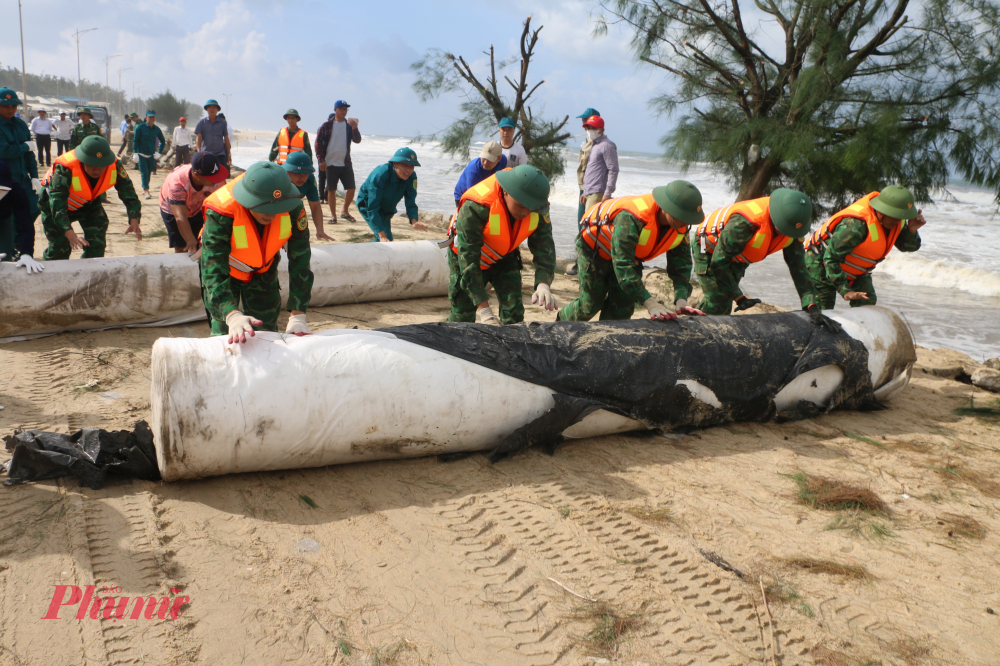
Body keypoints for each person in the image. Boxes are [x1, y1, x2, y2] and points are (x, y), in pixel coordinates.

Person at [558, 181, 706, 322]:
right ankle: (557, 324)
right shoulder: (631, 217)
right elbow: (623, 265)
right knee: (589, 305)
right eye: (683, 217)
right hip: (595, 253)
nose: (687, 223)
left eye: (690, 219)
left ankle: (607, 341)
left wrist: (681, 299)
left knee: (622, 307)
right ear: (668, 209)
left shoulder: (680, 227)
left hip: (628, 257)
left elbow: (681, 266)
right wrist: (650, 303)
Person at [200, 161, 314, 343]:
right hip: (227, 272)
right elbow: (213, 267)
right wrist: (231, 314)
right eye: (263, 207)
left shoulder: (292, 206)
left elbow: (300, 258)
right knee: (225, 335)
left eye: (276, 209)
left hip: (263, 269)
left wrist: (298, 314)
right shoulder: (222, 211)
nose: (270, 214)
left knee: (266, 333)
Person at [447, 164, 557, 325]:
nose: (525, 212)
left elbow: (544, 246)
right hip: (468, 260)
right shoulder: (476, 206)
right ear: (506, 191)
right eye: (520, 205)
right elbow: (468, 260)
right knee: (462, 318)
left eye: (530, 208)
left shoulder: (537, 205)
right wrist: (485, 311)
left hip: (503, 256)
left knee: (514, 312)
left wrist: (543, 284)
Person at [694, 188, 816, 315]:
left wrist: (810, 304)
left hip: (738, 254)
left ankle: (695, 318)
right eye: (784, 229)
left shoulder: (793, 228)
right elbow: (718, 262)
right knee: (719, 300)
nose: (787, 234)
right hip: (708, 247)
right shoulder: (744, 223)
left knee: (721, 298)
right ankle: (696, 331)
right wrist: (739, 297)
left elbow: (799, 267)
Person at [804, 186, 925, 310]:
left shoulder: (896, 221)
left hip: (855, 271)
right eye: (894, 215)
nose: (897, 219)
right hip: (820, 265)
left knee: (867, 306)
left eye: (901, 216)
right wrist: (845, 291)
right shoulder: (855, 225)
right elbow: (830, 259)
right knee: (822, 313)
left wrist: (911, 230)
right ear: (882, 210)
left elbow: (907, 247)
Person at [39, 135, 142, 260]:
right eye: (92, 164)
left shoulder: (114, 165)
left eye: (101, 165)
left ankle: (89, 274)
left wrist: (134, 218)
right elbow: (57, 203)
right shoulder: (66, 168)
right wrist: (70, 233)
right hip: (55, 207)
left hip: (87, 204)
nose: (97, 169)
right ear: (83, 160)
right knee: (60, 248)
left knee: (97, 243)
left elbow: (128, 191)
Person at [158, 151, 229, 253]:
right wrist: (190, 240)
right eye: (212, 179)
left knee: (202, 242)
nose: (217, 181)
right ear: (197, 175)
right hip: (173, 210)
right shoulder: (177, 183)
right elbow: (180, 217)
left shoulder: (217, 178)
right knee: (183, 246)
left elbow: (224, 205)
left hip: (198, 205)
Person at [0, 88, 40, 264]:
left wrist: (35, 176)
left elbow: (30, 153)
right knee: (8, 216)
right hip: (5, 181)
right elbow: (5, 151)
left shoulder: (21, 124)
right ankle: (11, 248)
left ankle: (17, 240)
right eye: (6, 106)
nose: (11, 109)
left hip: (23, 178)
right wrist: (25, 146)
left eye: (14, 106)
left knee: (35, 206)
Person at [356, 147, 427, 242]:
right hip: (368, 204)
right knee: (385, 238)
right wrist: (381, 235)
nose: (408, 170)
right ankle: (358, 254)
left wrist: (414, 221)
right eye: (405, 165)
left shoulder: (412, 177)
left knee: (386, 239)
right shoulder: (380, 174)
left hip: (387, 209)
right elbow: (372, 206)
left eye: (412, 166)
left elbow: (411, 200)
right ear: (395, 163)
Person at [567, 107, 601, 277]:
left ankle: (586, 263)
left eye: (586, 121)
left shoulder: (599, 143)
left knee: (588, 227)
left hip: (592, 191)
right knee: (581, 226)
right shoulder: (587, 142)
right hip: (583, 189)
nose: (583, 124)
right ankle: (581, 261)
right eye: (583, 121)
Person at [315, 100, 361, 222]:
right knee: (331, 190)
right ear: (335, 110)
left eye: (345, 109)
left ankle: (344, 211)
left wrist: (355, 128)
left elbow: (357, 140)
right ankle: (333, 216)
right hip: (330, 163)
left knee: (351, 188)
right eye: (341, 109)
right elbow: (318, 143)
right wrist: (321, 160)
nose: (344, 111)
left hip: (345, 163)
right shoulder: (326, 125)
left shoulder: (348, 126)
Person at [0, 158, 42, 272]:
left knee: (5, 259)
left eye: (3, 190)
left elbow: (25, 224)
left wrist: (26, 253)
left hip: (3, 218)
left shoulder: (16, 190)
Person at [281, 152, 334, 241]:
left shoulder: (309, 179)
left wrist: (320, 230)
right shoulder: (277, 179)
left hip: (294, 207)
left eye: (305, 173)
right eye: (298, 173)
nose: (302, 178)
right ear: (287, 171)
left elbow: (315, 206)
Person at [581, 115, 618, 214]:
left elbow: (613, 169)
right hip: (590, 192)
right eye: (589, 128)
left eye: (594, 128)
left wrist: (608, 192)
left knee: (589, 226)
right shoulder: (595, 145)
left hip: (597, 193)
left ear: (601, 130)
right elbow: (593, 169)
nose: (590, 130)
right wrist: (585, 192)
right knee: (588, 225)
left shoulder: (607, 145)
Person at [453, 141, 507, 208]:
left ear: (499, 159)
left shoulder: (503, 160)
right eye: (484, 157)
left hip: (487, 189)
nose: (485, 162)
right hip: (465, 195)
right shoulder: (473, 170)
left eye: (490, 159)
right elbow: (473, 195)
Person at [132, 109, 166, 199]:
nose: (152, 118)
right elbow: (135, 140)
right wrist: (135, 153)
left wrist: (159, 153)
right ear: (146, 117)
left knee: (149, 172)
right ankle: (146, 190)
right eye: (150, 116)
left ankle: (145, 188)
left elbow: (162, 141)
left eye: (153, 116)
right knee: (144, 172)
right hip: (141, 154)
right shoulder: (140, 127)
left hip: (151, 155)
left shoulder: (157, 129)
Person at [194, 99, 231, 166]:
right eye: (210, 107)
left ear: (217, 109)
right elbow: (198, 138)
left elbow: (226, 138)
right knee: (206, 175)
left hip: (220, 155)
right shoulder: (201, 123)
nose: (212, 109)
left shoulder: (223, 122)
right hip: (206, 155)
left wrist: (229, 154)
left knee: (220, 175)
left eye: (214, 107)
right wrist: (199, 153)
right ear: (206, 109)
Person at [316, 112, 335, 200]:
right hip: (323, 156)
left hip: (331, 157)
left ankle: (326, 197)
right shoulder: (323, 128)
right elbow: (318, 143)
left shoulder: (337, 129)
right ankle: (321, 197)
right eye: (332, 119)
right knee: (322, 177)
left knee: (330, 177)